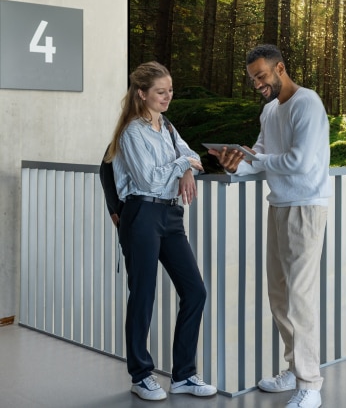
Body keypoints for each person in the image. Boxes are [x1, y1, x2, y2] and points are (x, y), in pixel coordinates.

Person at [209, 44, 330, 408]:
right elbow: (260, 159)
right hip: (278, 206)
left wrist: (256, 157)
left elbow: (300, 161)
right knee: (279, 297)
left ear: (280, 68)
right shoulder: (268, 111)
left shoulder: (307, 103)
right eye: (253, 79)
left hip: (307, 206)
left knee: (301, 298)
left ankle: (311, 384)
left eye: (261, 76)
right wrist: (236, 163)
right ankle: (294, 369)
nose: (257, 83)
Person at [104, 61, 217, 401]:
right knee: (143, 296)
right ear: (142, 93)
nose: (168, 96)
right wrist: (183, 166)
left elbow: (191, 154)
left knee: (195, 291)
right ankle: (141, 375)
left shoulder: (165, 125)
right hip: (142, 214)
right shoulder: (132, 132)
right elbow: (148, 179)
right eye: (161, 92)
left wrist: (184, 168)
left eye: (170, 90)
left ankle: (183, 376)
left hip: (170, 216)